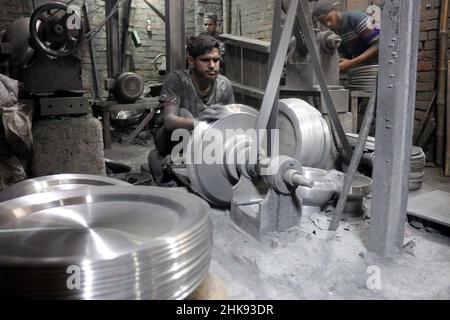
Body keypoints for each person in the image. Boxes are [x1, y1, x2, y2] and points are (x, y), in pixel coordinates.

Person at [154, 35, 235, 158]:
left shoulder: (224, 85)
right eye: (205, 60)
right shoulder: (177, 80)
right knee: (183, 113)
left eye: (216, 60)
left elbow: (231, 123)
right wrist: (200, 123)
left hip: (205, 143)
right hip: (171, 141)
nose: (212, 65)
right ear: (191, 61)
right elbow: (169, 121)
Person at [312, 2, 380, 73]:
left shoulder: (356, 19)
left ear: (335, 10)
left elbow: (379, 45)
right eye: (323, 22)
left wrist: (351, 63)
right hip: (361, 70)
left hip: (377, 69)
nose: (328, 24)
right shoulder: (336, 30)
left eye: (329, 19)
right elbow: (346, 55)